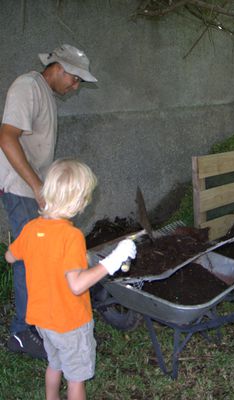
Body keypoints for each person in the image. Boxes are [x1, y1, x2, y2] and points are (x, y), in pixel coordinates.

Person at [5, 159, 136, 400]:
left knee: (55, 364)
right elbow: (76, 285)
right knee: (76, 379)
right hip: (70, 323)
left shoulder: (31, 228)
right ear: (80, 202)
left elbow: (10, 256)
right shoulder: (71, 236)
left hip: (43, 321)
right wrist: (113, 261)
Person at [0, 44, 97, 358]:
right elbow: (6, 137)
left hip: (34, 190)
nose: (76, 85)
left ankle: (41, 325)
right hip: (21, 189)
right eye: (75, 78)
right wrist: (38, 186)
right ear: (58, 67)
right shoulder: (27, 86)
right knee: (30, 260)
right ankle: (22, 332)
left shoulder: (45, 94)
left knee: (39, 259)